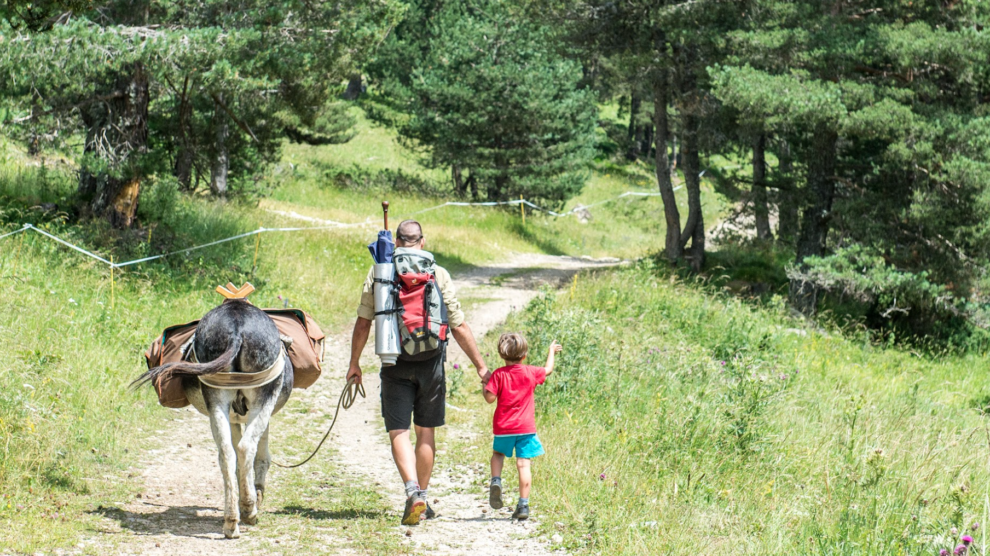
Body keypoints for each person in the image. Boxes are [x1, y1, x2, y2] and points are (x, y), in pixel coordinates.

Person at [347, 219, 490, 526]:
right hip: (432, 362)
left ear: (396, 243)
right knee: (426, 431)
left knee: (398, 429)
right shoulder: (438, 272)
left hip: (394, 361)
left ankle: (412, 492)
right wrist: (481, 366)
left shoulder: (381, 271)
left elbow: (363, 322)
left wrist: (354, 363)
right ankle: (422, 494)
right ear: (422, 242)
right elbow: (458, 324)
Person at [483, 332, 562, 520]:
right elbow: (548, 369)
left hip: (503, 428)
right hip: (526, 429)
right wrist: (551, 351)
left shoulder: (498, 374)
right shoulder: (531, 372)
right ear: (524, 355)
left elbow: (489, 398)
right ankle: (523, 506)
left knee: (498, 454)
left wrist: (485, 384)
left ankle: (496, 480)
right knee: (523, 464)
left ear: (501, 355)